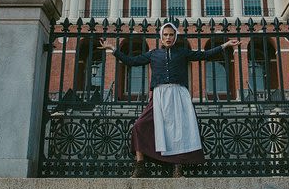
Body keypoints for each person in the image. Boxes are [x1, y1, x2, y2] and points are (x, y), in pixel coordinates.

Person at [99, 22, 240, 178]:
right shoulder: (153, 54)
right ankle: (140, 165)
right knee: (139, 126)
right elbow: (132, 61)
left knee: (178, 132)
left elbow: (203, 55)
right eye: (165, 35)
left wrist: (225, 44)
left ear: (175, 37)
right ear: (161, 36)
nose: (168, 37)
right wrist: (114, 50)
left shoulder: (182, 53)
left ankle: (177, 169)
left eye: (171, 35)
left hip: (178, 94)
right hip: (159, 95)